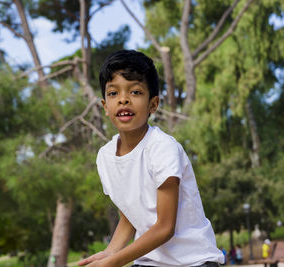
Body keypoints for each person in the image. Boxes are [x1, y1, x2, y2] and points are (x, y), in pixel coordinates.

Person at [78, 50, 224, 267]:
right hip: (150, 262)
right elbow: (129, 215)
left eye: (135, 92)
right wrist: (110, 252)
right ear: (105, 107)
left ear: (153, 104)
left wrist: (114, 262)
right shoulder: (105, 157)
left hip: (193, 261)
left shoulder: (162, 148)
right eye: (113, 93)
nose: (124, 99)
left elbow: (165, 227)